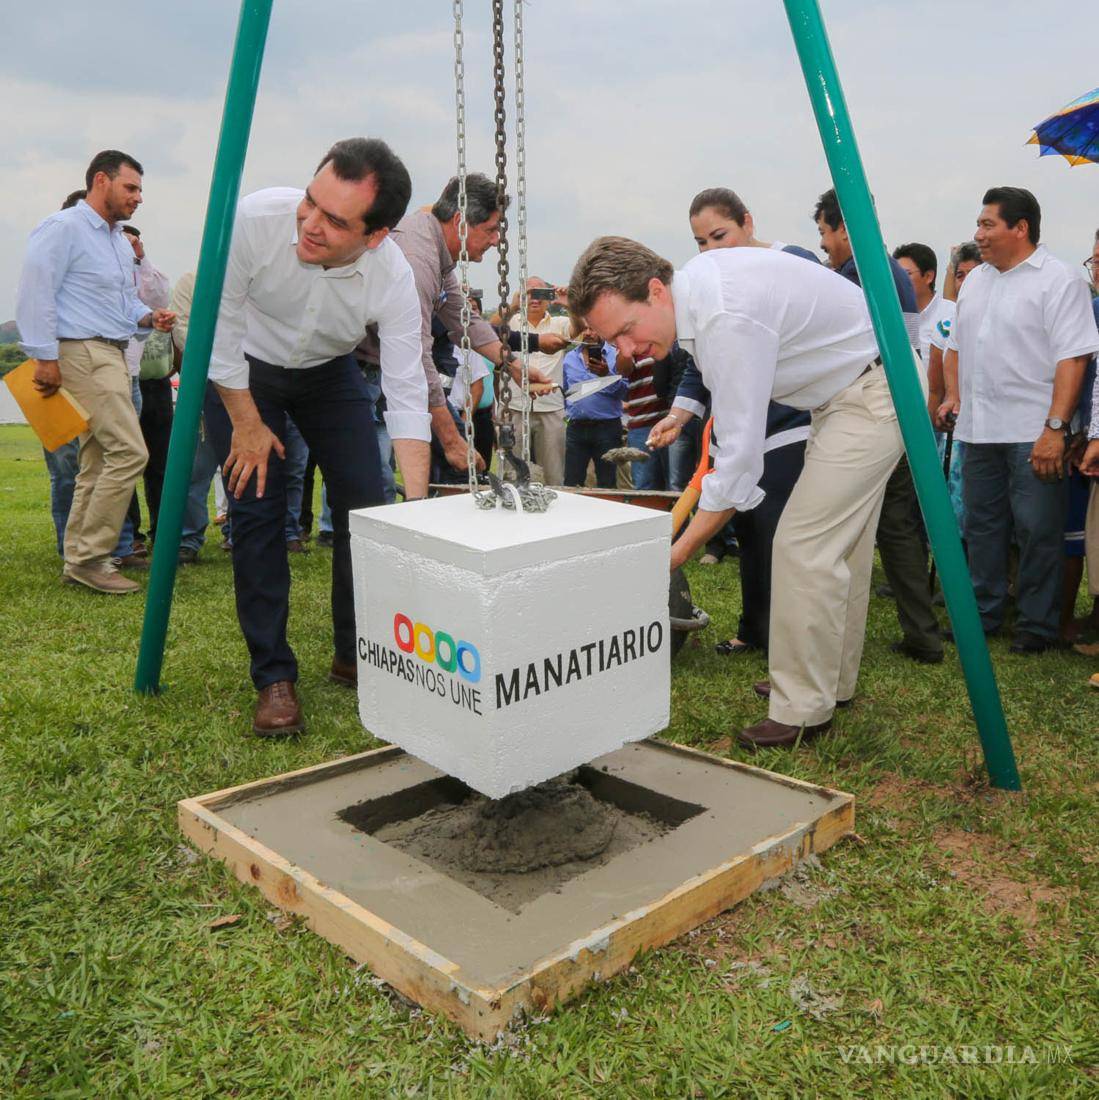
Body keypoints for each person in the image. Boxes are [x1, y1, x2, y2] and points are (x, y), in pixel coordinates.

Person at [570, 236, 900, 748]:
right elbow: (729, 438)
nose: (627, 352)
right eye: (614, 341)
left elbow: (739, 463)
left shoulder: (724, 315)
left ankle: (803, 709)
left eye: (627, 331)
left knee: (801, 545)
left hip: (873, 395)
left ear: (656, 290)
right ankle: (824, 681)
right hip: (851, 394)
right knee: (845, 549)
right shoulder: (700, 295)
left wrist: (672, 556)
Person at [203, 138, 432, 737]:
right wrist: (247, 425)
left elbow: (407, 387)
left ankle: (355, 653)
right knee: (256, 510)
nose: (309, 224)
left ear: (376, 235)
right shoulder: (255, 219)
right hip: (243, 372)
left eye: (335, 221)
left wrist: (417, 502)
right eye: (310, 202)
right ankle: (273, 676)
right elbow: (218, 327)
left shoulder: (394, 276)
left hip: (331, 372)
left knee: (367, 504)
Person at [649, 187, 816, 653]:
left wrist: (679, 551)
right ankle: (756, 629)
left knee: (774, 527)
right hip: (743, 425)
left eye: (720, 235)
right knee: (745, 522)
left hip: (789, 420)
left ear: (748, 221)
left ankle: (785, 637)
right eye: (701, 242)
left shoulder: (793, 261)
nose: (712, 250)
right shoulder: (712, 289)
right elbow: (704, 364)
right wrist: (679, 415)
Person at [936, 187, 1099, 652]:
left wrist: (1054, 428)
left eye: (988, 225)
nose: (978, 234)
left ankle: (1035, 626)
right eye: (980, 224)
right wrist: (952, 397)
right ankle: (983, 615)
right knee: (982, 527)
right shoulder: (978, 282)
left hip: (1032, 432)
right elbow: (958, 348)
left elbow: (1074, 358)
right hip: (977, 430)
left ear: (1020, 228)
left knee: (1036, 531)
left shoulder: (1059, 280)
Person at [15, 150, 176, 594]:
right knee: (130, 453)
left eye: (140, 189)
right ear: (101, 181)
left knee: (98, 459)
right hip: (82, 352)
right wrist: (44, 357)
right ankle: (91, 559)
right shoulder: (63, 228)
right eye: (131, 187)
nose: (138, 197)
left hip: (112, 351)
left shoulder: (117, 240)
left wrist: (149, 317)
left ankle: (79, 559)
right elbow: (35, 291)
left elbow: (122, 304)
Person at [357, 174, 554, 487]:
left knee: (458, 457)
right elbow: (417, 357)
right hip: (362, 372)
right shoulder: (416, 260)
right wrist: (450, 441)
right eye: (490, 230)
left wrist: (514, 366)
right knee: (371, 478)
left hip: (383, 372)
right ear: (461, 222)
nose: (496, 241)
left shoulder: (436, 250)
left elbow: (464, 319)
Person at [815, 189, 943, 664]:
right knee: (897, 528)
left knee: (884, 528)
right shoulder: (885, 268)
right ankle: (921, 634)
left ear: (845, 227)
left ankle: (910, 637)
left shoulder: (861, 273)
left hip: (876, 415)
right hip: (899, 410)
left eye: (826, 233)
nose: (825, 244)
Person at [122, 226, 171, 554]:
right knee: (123, 459)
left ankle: (162, 532)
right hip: (119, 378)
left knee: (160, 462)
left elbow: (157, 299)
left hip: (154, 382)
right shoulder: (98, 275)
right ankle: (130, 538)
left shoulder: (146, 272)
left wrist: (139, 257)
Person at [505, 277, 572, 485]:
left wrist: (571, 305)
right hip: (515, 406)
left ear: (549, 297)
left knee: (553, 475)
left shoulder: (559, 323)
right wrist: (511, 307)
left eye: (540, 293)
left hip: (550, 408)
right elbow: (488, 332)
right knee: (511, 474)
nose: (534, 299)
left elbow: (580, 329)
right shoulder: (511, 321)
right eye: (529, 293)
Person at [561, 331, 626, 488]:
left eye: (593, 328)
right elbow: (567, 391)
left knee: (607, 482)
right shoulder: (569, 358)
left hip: (607, 428)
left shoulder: (616, 355)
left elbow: (625, 392)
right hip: (576, 428)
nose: (588, 333)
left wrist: (606, 375)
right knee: (571, 482)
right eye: (584, 329)